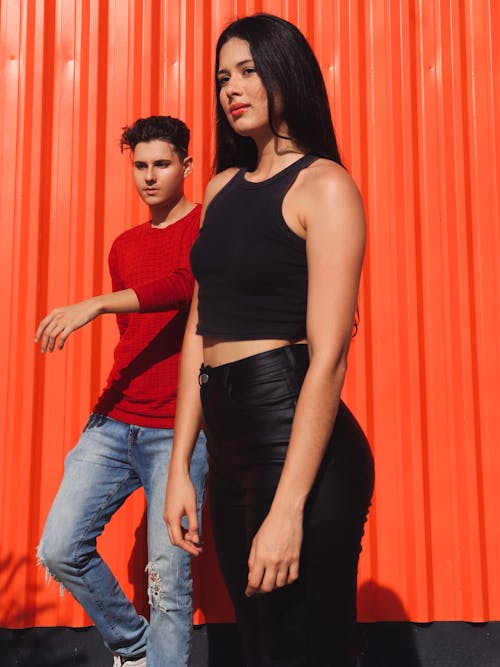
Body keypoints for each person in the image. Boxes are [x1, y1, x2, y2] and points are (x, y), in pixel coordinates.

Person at [164, 14, 375, 667]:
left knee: (306, 648)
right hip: (228, 449)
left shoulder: (325, 186)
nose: (233, 87)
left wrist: (289, 507)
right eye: (224, 76)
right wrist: (180, 468)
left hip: (298, 442)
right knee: (259, 646)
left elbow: (330, 357)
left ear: (288, 71)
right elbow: (202, 327)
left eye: (249, 70)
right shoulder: (222, 188)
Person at [36, 115, 208, 667]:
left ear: (186, 165)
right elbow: (136, 337)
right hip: (113, 421)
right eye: (140, 166)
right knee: (60, 548)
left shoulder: (208, 225)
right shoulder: (124, 246)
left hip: (176, 434)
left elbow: (184, 287)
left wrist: (97, 303)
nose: (150, 177)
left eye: (162, 164)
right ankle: (134, 649)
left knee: (167, 581)